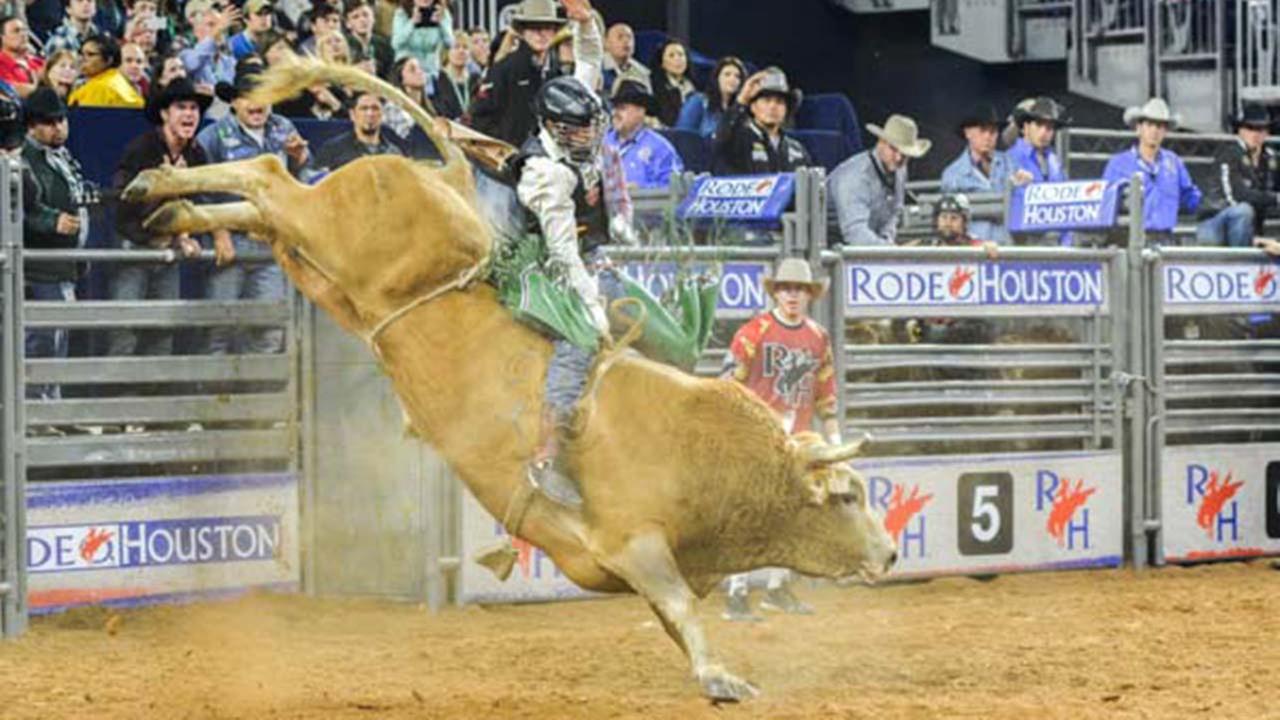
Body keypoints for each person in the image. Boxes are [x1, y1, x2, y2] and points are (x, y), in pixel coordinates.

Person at [513, 0, 637, 507]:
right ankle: (546, 454)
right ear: (557, 127)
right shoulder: (545, 172)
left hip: (590, 253)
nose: (592, 135)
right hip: (539, 266)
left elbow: (588, 60)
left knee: (634, 310)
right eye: (582, 130)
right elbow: (562, 253)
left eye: (593, 126)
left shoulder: (574, 113)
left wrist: (587, 21)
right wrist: (589, 304)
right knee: (580, 338)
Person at [720, 258, 839, 621]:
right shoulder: (754, 331)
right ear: (776, 292)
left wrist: (835, 439)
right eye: (786, 288)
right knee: (750, 513)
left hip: (798, 436)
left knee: (793, 513)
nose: (792, 295)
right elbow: (728, 384)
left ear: (809, 295)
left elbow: (826, 392)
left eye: (799, 289)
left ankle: (776, 586)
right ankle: (737, 591)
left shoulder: (818, 337)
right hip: (757, 436)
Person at [197, 65, 314, 355]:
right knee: (220, 324)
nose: (257, 104)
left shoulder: (284, 128)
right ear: (234, 102)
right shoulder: (212, 136)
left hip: (273, 242)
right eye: (248, 97)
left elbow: (304, 181)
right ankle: (215, 396)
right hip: (230, 241)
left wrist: (300, 158)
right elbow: (199, 190)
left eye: (264, 96)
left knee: (270, 325)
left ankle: (258, 395)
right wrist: (219, 232)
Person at [108, 78, 208, 369]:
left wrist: (182, 235)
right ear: (165, 114)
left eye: (193, 108)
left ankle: (155, 405)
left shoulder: (196, 154)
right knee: (125, 330)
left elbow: (196, 202)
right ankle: (120, 406)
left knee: (163, 329)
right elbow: (122, 203)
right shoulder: (142, 149)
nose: (189, 114)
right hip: (134, 248)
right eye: (181, 107)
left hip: (167, 252)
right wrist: (166, 186)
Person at [20, 86, 90, 402]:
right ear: (32, 125)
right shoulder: (24, 161)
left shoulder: (61, 156)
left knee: (55, 336)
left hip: (63, 263)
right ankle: (39, 407)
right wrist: (52, 221)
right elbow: (19, 211)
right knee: (44, 337)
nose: (59, 127)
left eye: (61, 120)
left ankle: (51, 404)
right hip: (42, 265)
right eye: (50, 122)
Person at [1102, 98, 1201, 246]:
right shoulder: (1118, 164)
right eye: (1149, 125)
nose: (1154, 131)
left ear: (1165, 131)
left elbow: (1190, 197)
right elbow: (1105, 203)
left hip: (1165, 238)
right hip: (1128, 238)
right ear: (1139, 128)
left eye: (1160, 126)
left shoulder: (1174, 162)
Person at [469, 0, 565, 145]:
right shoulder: (504, 69)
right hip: (512, 160)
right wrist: (505, 153)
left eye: (547, 27)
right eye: (533, 28)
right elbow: (480, 117)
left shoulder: (557, 74)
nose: (541, 34)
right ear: (522, 32)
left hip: (550, 161)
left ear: (554, 32)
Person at [828, 113, 930, 246]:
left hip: (867, 247)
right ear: (880, 142)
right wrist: (891, 251)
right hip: (830, 246)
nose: (898, 158)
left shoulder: (899, 169)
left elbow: (893, 215)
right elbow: (855, 234)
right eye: (893, 149)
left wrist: (888, 242)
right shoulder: (855, 176)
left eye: (905, 154)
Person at [1197, 104, 1277, 248]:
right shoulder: (1228, 153)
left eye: (1260, 129)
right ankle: (1241, 260)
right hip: (1214, 223)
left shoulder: (1271, 158)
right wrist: (1275, 198)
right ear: (1240, 130)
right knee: (1243, 211)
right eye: (1249, 128)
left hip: (1248, 228)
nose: (1255, 134)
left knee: (1245, 214)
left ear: (1266, 132)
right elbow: (1236, 196)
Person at [712, 67, 811, 176]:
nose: (773, 106)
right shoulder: (737, 139)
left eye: (779, 102)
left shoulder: (798, 149)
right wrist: (741, 101)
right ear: (753, 107)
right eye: (766, 100)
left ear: (786, 110)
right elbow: (719, 139)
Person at [940, 104, 1012, 245]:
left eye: (993, 132)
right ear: (968, 133)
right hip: (972, 251)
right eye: (983, 130)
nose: (988, 136)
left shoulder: (1010, 164)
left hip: (1007, 247)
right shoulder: (953, 175)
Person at [603, 79, 682, 189]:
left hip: (645, 205)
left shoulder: (660, 148)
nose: (615, 113)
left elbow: (675, 187)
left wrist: (640, 189)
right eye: (614, 108)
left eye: (622, 108)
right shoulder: (601, 142)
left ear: (641, 111)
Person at [315, 90, 405, 169]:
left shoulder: (394, 154)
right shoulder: (333, 150)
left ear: (382, 115)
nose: (370, 114)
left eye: (375, 108)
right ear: (352, 114)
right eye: (364, 108)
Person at [675, 55, 744, 139]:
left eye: (737, 76)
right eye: (727, 74)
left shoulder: (739, 111)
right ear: (717, 78)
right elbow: (681, 136)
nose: (733, 79)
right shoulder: (698, 101)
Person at [68, 35, 145, 108]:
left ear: (108, 60)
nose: (82, 59)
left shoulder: (99, 87)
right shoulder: (118, 81)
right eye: (81, 54)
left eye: (90, 54)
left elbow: (85, 120)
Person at [1008, 96, 1068, 184]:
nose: (1043, 132)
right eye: (1038, 124)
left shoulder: (1054, 160)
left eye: (1049, 127)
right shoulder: (1010, 158)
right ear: (1026, 127)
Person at [180, 0, 237, 92]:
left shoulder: (230, 62)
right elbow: (193, 62)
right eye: (211, 25)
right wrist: (217, 28)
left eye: (222, 26)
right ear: (196, 30)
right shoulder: (185, 56)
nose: (220, 31)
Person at [391, 0, 453, 77]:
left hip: (432, 71)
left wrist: (441, 23)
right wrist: (412, 23)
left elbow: (450, 43)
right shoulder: (402, 13)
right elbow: (396, 44)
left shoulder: (442, 12)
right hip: (408, 71)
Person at [649, 38, 694, 128]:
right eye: (671, 55)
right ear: (662, 63)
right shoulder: (654, 87)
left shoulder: (694, 87)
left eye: (681, 55)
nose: (678, 59)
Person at [382, 54, 428, 140]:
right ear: (401, 78)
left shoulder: (428, 106)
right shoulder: (393, 107)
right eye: (412, 70)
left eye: (420, 68)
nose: (420, 72)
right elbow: (405, 137)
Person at [345, 0, 393, 79]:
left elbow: (391, 75)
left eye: (366, 15)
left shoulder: (385, 45)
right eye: (355, 17)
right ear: (348, 24)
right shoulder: (343, 45)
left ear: (373, 18)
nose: (362, 20)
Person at [0, 15, 45, 98]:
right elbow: (7, 90)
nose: (23, 34)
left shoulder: (39, 62)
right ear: (2, 37)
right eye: (16, 31)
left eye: (24, 30)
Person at [432, 28, 473, 120]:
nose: (461, 51)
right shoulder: (438, 79)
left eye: (465, 47)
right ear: (446, 52)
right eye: (456, 47)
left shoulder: (475, 80)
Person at [600, 21, 647, 93]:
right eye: (620, 37)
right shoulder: (597, 67)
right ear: (605, 43)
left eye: (629, 37)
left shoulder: (642, 72)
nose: (626, 41)